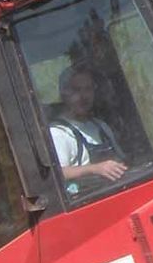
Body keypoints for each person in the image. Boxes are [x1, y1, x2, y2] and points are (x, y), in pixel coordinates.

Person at [50, 66, 129, 195]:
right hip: (87, 198)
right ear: (64, 93)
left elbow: (121, 160)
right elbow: (58, 173)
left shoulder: (100, 126)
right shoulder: (58, 133)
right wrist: (95, 169)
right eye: (76, 90)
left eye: (88, 89)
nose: (83, 96)